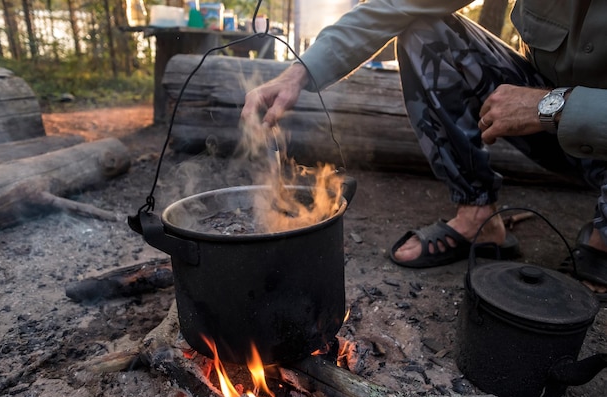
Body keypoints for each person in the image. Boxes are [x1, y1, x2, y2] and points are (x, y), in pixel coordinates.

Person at [240, 0, 607, 298]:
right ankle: (477, 215)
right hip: (558, 135)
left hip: (588, 131)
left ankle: (602, 239)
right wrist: (297, 74)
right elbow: (399, 4)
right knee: (425, 29)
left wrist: (556, 106)